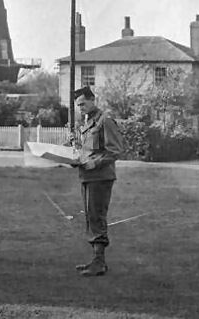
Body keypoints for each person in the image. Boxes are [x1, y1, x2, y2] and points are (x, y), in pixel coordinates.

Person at [71, 86, 124, 277]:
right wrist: (75, 154)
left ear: (93, 100)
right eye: (78, 105)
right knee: (91, 217)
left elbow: (115, 150)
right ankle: (96, 260)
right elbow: (88, 151)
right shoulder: (88, 123)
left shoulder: (105, 120)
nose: (81, 108)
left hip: (100, 177)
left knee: (97, 216)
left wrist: (95, 163)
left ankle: (99, 262)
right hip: (88, 177)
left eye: (83, 103)